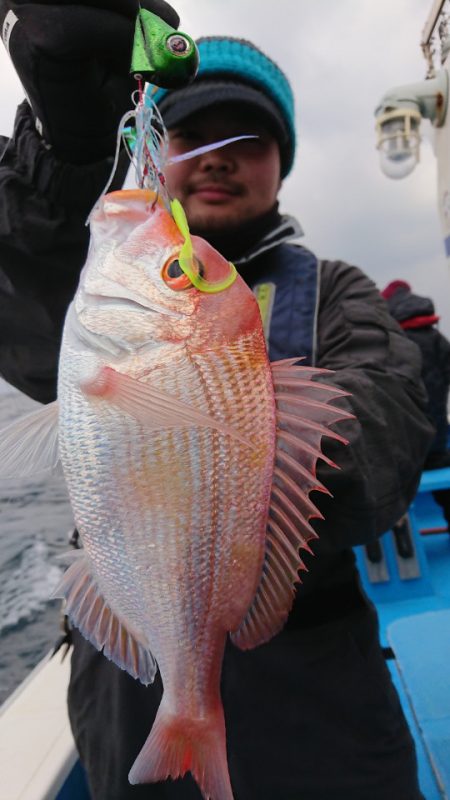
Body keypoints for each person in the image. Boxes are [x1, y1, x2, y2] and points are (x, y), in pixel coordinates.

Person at [0, 3, 434, 799]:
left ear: (282, 162)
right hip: (127, 691)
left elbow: (389, 423)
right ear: (157, 150)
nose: (219, 159)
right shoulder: (94, 282)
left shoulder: (336, 291)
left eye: (250, 140)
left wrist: (235, 472)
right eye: (195, 134)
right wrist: (66, 159)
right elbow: (26, 319)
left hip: (318, 696)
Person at [382, 280, 450, 530]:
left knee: (397, 489)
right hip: (439, 435)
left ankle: (403, 543)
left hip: (405, 442)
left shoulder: (391, 344)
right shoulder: (436, 337)